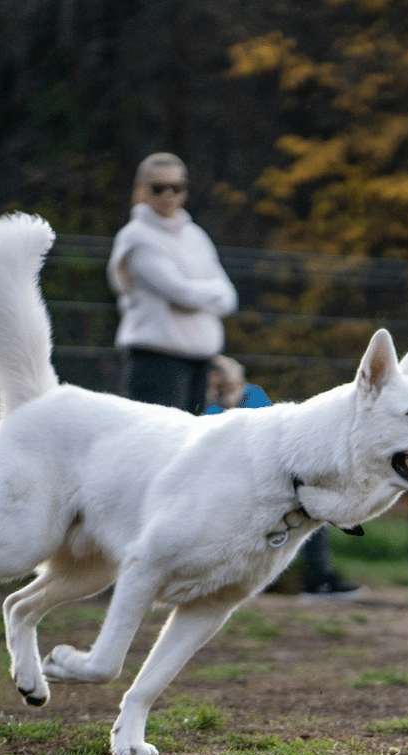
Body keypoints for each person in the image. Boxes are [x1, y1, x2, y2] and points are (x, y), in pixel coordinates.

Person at [205, 356, 360, 600]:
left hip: (266, 475)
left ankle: (318, 579)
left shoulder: (252, 394)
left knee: (308, 508)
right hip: (228, 480)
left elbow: (267, 428)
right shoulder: (205, 402)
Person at [108, 153, 237, 414]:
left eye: (176, 187)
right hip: (157, 364)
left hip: (201, 362)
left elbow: (229, 299)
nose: (168, 195)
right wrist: (205, 294)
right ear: (141, 189)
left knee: (190, 448)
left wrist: (196, 296)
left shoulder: (196, 236)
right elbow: (181, 292)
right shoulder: (136, 237)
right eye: (158, 188)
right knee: (156, 448)